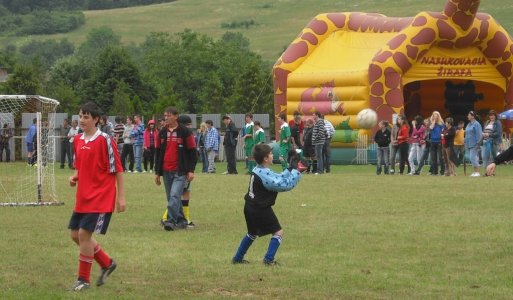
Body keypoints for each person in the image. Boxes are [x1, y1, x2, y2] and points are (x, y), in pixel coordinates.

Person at [67, 101, 126, 291]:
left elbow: (117, 169)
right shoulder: (77, 140)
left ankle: (83, 280)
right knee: (75, 235)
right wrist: (74, 177)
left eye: (86, 117)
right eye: (80, 116)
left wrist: (121, 197)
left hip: (101, 196)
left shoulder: (105, 140)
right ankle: (107, 262)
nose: (82, 120)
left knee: (84, 235)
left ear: (96, 120)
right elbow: (81, 167)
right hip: (82, 197)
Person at [231, 144, 301, 265]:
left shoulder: (259, 169)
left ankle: (237, 258)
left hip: (249, 206)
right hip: (260, 208)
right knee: (278, 232)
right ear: (265, 158)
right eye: (270, 154)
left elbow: (277, 177)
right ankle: (268, 260)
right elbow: (284, 185)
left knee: (252, 233)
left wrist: (290, 169)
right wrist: (296, 171)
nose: (272, 155)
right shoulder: (264, 175)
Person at [155, 106, 197, 231]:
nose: (166, 118)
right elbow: (158, 153)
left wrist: (191, 170)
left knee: (174, 196)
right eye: (165, 116)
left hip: (180, 171)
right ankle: (182, 221)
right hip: (166, 170)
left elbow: (193, 152)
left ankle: (170, 221)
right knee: (172, 198)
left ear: (176, 116)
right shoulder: (162, 133)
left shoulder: (185, 132)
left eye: (169, 115)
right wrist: (157, 172)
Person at [464, 110, 483, 177]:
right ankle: (475, 172)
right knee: (472, 158)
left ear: (472, 116)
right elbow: (466, 134)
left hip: (475, 144)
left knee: (473, 157)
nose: (467, 116)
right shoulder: (469, 124)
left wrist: (478, 144)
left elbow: (479, 135)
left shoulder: (477, 124)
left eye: (469, 115)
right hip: (469, 144)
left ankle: (477, 172)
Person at [429, 111, 445, 175]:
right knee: (433, 158)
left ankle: (442, 171)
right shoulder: (431, 123)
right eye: (434, 115)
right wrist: (433, 122)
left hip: (439, 142)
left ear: (438, 116)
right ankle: (435, 172)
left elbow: (443, 132)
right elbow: (431, 128)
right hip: (432, 142)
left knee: (441, 158)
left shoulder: (442, 124)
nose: (435, 116)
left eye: (436, 115)